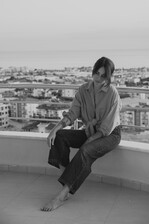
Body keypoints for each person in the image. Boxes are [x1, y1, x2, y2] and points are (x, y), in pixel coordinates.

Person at [41, 56, 121, 212]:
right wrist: (54, 129)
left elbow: (106, 128)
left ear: (109, 77)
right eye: (96, 73)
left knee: (86, 150)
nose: (98, 78)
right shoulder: (83, 90)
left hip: (110, 134)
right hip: (90, 131)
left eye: (103, 75)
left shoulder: (113, 94)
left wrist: (90, 139)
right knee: (60, 136)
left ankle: (61, 196)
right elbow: (72, 114)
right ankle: (68, 180)